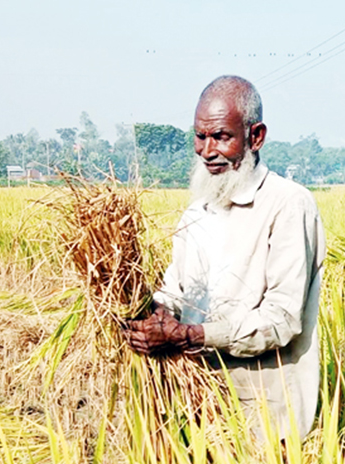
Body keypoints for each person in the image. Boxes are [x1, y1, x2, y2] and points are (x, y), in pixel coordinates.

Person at [123, 75, 326, 441]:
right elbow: (177, 290)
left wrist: (191, 335)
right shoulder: (199, 208)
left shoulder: (288, 204)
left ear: (256, 136)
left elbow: (281, 319)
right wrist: (152, 320)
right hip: (198, 397)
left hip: (265, 410)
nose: (207, 150)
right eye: (200, 137)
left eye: (221, 136)